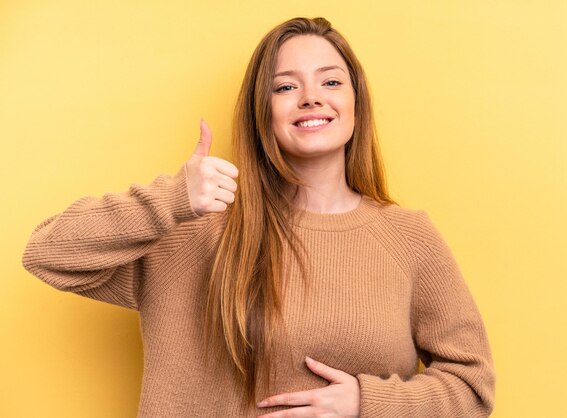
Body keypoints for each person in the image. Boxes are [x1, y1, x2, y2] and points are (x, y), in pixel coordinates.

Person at [22, 17, 495, 417]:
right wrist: (171, 200)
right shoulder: (200, 230)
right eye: (286, 86)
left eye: (330, 81)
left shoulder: (408, 236)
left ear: (356, 104)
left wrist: (366, 403)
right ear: (261, 112)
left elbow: (473, 386)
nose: (311, 97)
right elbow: (47, 253)